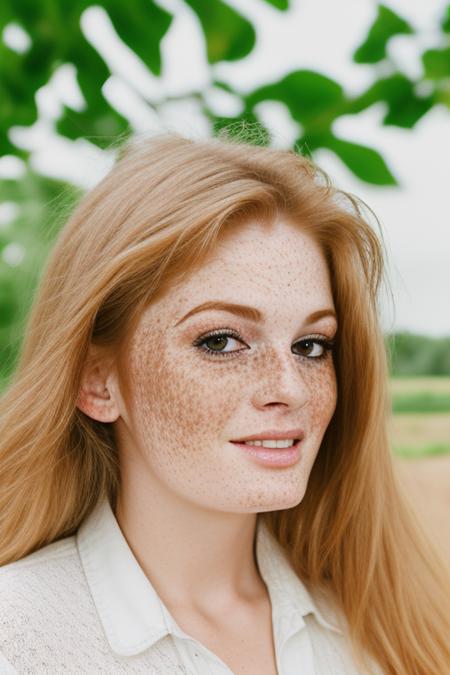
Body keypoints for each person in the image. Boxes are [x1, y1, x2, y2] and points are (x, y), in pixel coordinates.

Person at [0, 129, 449, 675]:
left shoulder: (382, 630)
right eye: (221, 341)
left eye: (311, 346)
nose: (290, 389)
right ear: (97, 381)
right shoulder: (18, 638)